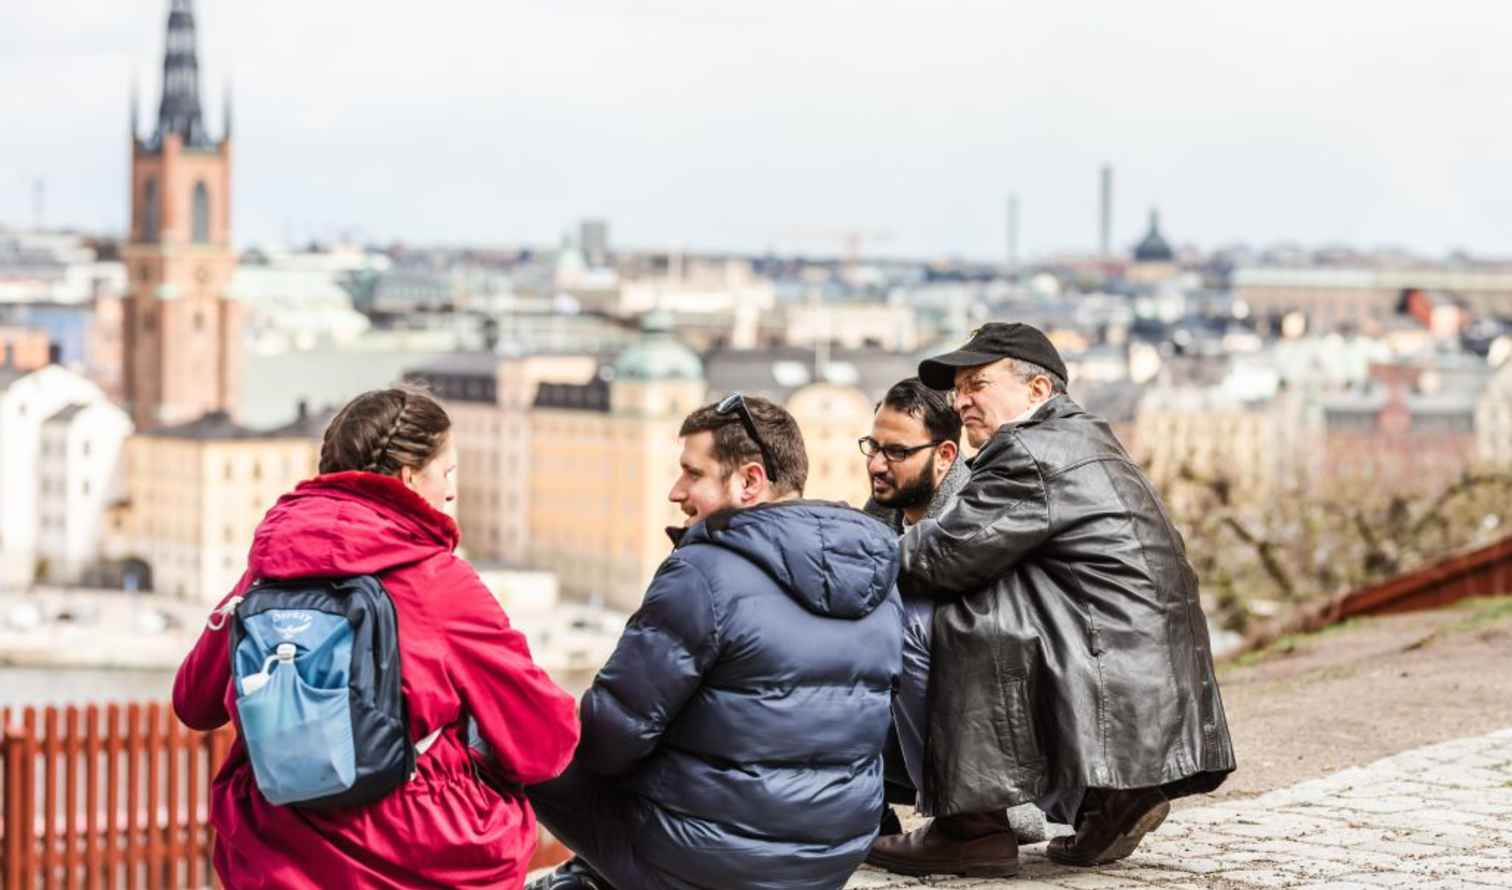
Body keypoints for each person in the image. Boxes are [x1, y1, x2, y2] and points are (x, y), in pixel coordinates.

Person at [173, 386, 581, 890]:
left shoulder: (270, 567)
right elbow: (543, 743)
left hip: (273, 854)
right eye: (447, 473)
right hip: (416, 859)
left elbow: (193, 702)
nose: (451, 492)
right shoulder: (438, 583)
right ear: (411, 478)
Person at [866, 324, 1235, 878]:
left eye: (977, 384)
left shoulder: (1028, 450)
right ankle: (1107, 801)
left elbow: (939, 557)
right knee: (978, 615)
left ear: (1037, 391)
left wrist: (829, 556)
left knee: (911, 618)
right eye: (959, 387)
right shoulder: (1084, 437)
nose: (960, 400)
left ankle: (967, 828)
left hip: (1108, 664)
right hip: (1140, 666)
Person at [526, 394, 903, 890]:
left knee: (518, 735)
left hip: (714, 865)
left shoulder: (703, 573)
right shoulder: (876, 569)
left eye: (692, 473)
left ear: (749, 481)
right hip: (831, 855)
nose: (675, 491)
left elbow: (609, 739)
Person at [860, 378, 1046, 853]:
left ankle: (973, 819)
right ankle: (865, 814)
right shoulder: (883, 511)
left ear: (945, 455)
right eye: (873, 447)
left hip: (992, 741)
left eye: (896, 452)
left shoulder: (979, 516)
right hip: (912, 724)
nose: (877, 465)